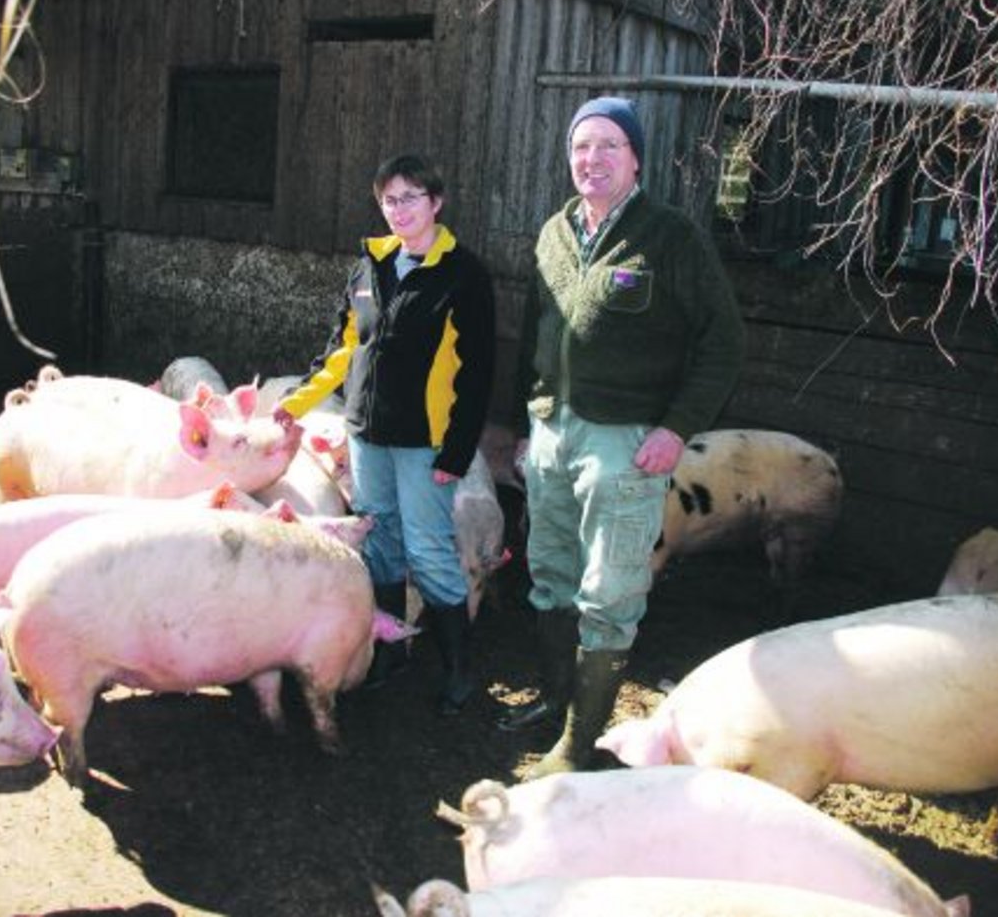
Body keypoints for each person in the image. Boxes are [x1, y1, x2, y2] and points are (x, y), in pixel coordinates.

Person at [498, 96, 745, 778]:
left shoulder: (671, 237)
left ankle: (578, 745)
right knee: (548, 575)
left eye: (609, 146)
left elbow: (724, 343)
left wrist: (676, 429)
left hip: (626, 440)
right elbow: (535, 341)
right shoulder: (553, 233)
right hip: (553, 434)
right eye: (582, 146)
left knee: (609, 595)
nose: (592, 159)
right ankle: (554, 703)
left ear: (635, 158)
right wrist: (526, 427)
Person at [274, 153, 496, 716]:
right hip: (367, 434)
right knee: (380, 542)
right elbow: (343, 350)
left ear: (436, 203)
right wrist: (294, 404)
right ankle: (394, 653)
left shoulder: (462, 274)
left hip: (426, 441)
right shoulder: (368, 267)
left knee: (428, 550)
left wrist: (459, 448)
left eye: (411, 198)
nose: (400, 209)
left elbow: (477, 371)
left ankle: (460, 671)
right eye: (390, 200)